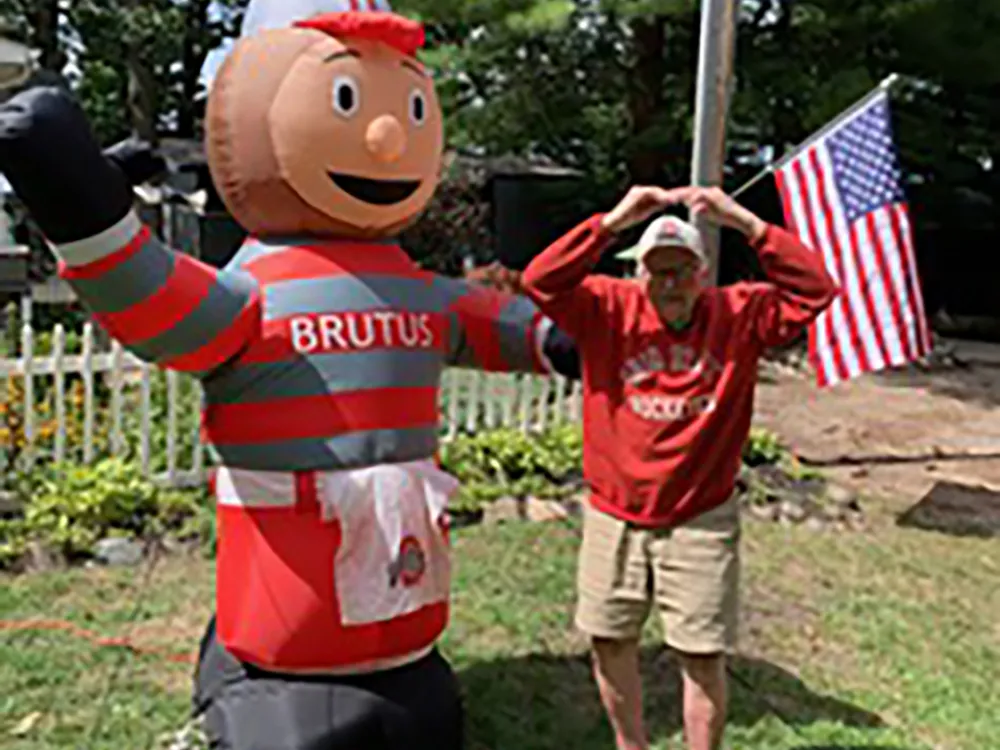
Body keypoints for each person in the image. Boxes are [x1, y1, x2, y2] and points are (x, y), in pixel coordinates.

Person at [0, 2, 580, 748]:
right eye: (347, 99)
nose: (384, 134)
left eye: (406, 105)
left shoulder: (419, 289)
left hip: (410, 615)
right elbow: (152, 300)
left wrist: (565, 342)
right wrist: (81, 204)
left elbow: (494, 324)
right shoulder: (251, 295)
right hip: (289, 636)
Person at [520, 185, 839, 750]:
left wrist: (745, 221)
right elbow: (540, 280)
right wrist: (613, 220)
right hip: (614, 515)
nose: (669, 284)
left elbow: (816, 288)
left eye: (682, 271)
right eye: (658, 271)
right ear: (638, 272)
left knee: (701, 653)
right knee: (610, 640)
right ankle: (631, 745)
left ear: (703, 272)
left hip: (700, 518)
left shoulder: (740, 313)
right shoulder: (604, 306)